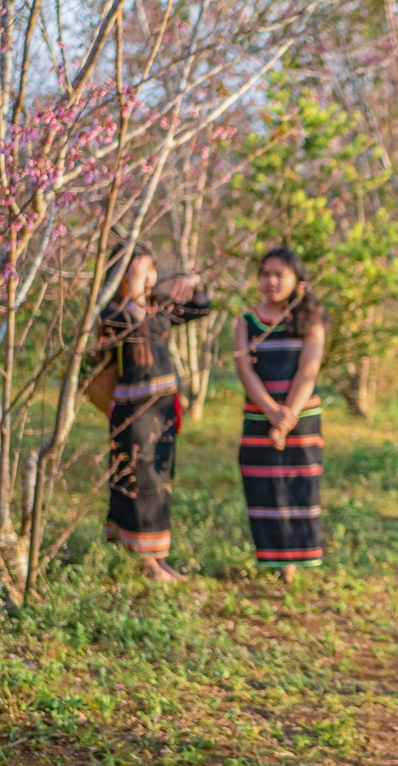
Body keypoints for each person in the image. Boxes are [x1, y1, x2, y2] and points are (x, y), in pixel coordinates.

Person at [99, 242, 210, 582]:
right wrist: (134, 292)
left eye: (150, 269)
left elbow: (199, 309)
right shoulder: (114, 313)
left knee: (159, 484)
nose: (148, 277)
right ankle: (144, 560)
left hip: (162, 414)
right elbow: (128, 331)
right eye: (139, 270)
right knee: (138, 483)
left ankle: (157, 557)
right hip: (133, 416)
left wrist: (194, 284)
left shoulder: (157, 309)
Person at [234, 246, 329, 584]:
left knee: (297, 485)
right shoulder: (246, 320)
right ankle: (274, 558)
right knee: (265, 487)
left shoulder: (311, 319)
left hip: (302, 420)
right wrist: (272, 412)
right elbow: (245, 370)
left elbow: (308, 371)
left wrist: (287, 416)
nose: (270, 281)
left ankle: (296, 560)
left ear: (297, 280)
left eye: (279, 275)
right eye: (265, 274)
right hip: (259, 415)